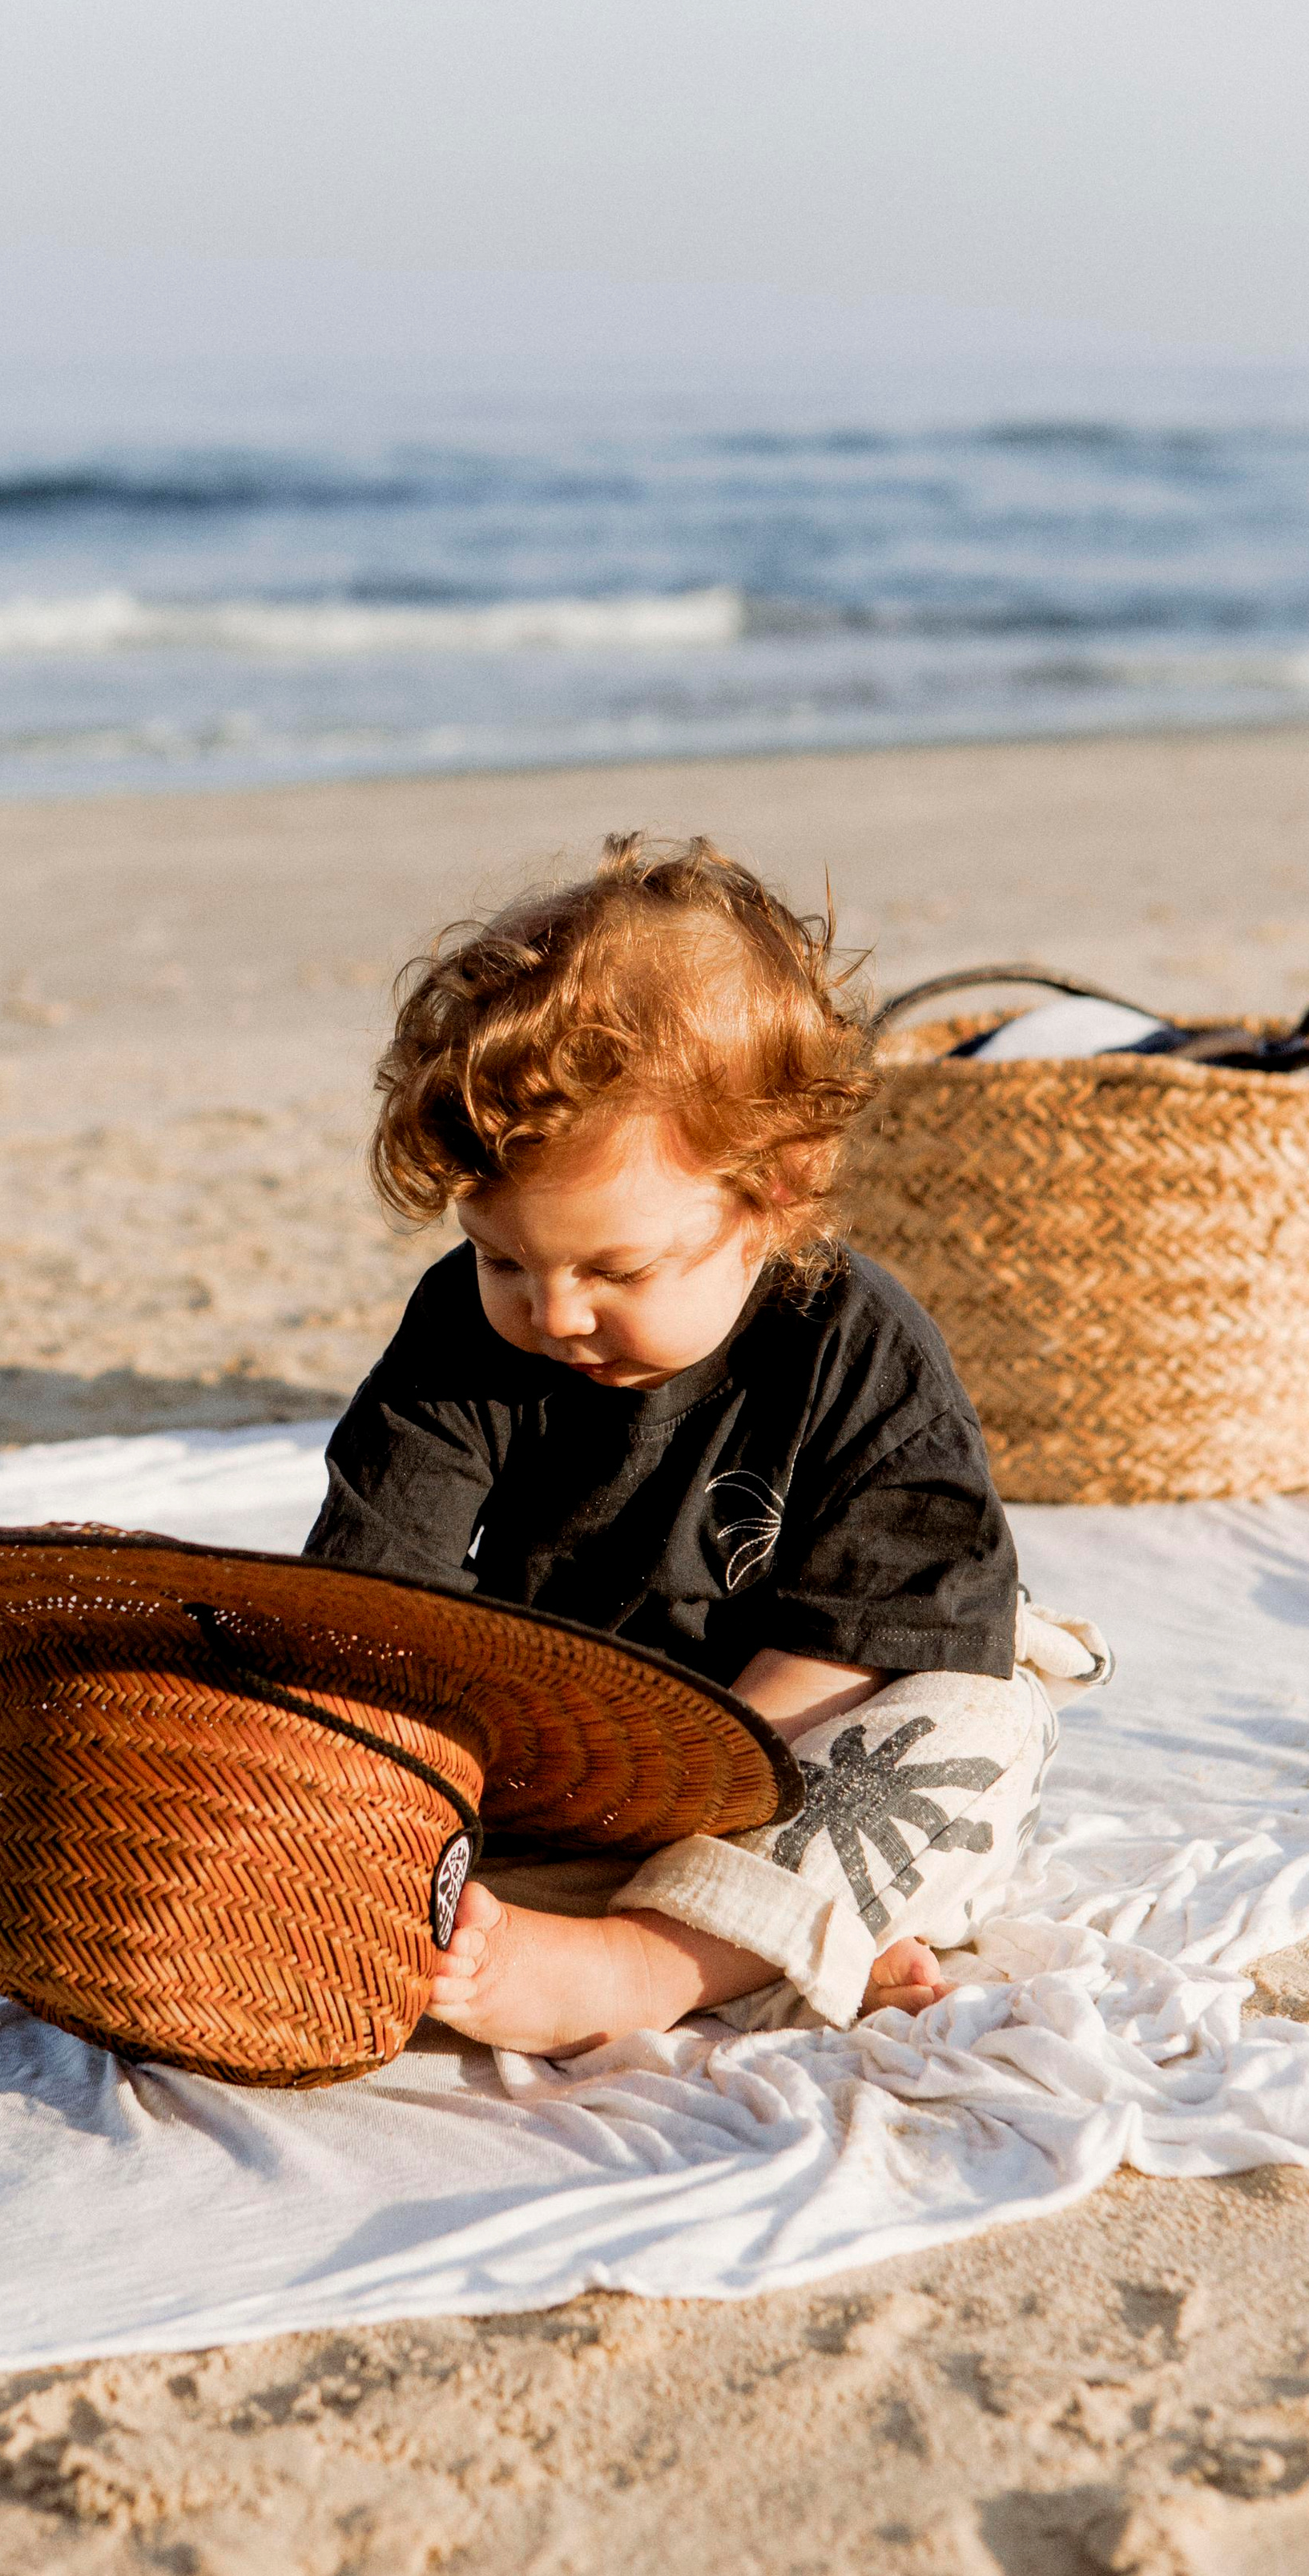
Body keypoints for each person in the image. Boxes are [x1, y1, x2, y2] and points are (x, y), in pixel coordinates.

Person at [304, 834, 1107, 2055]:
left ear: (771, 1196)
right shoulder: (462, 1337)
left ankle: (649, 1963)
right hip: (563, 1744)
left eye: (614, 1268)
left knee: (976, 1727)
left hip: (793, 1725)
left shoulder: (859, 1348)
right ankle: (771, 1957)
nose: (553, 1312)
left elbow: (875, 1641)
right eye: (504, 1257)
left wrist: (675, 1786)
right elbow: (381, 1584)